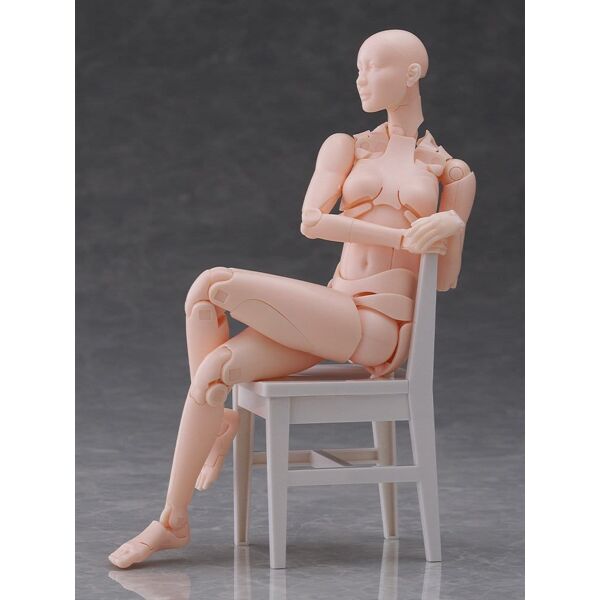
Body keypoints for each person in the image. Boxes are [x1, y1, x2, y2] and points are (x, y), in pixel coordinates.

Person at [109, 29, 476, 569]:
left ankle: (218, 423)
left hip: (380, 328)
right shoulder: (346, 146)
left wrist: (452, 226)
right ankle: (173, 520)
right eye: (357, 68)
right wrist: (404, 236)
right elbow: (312, 220)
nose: (360, 79)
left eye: (371, 67)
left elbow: (442, 280)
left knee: (213, 282)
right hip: (334, 309)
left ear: (411, 73)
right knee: (212, 370)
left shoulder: (450, 172)